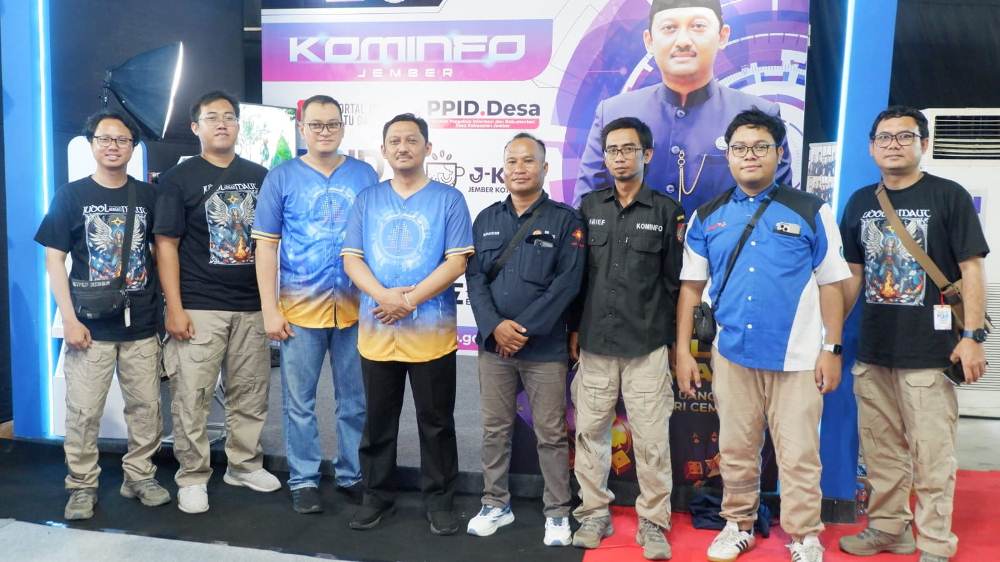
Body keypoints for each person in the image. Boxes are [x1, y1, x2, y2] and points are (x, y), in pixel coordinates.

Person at [674, 108, 851, 562]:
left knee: (799, 453)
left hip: (798, 358)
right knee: (736, 448)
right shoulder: (707, 216)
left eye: (760, 147)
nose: (749, 155)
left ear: (778, 153)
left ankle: (805, 535)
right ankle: (738, 525)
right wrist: (683, 352)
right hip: (732, 354)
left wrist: (831, 348)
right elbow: (691, 288)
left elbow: (833, 284)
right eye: (740, 148)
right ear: (729, 156)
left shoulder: (811, 211)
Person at [837, 106, 989, 562]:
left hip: (930, 354)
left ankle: (936, 543)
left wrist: (973, 337)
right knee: (880, 452)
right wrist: (829, 337)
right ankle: (889, 529)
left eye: (905, 137)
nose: (894, 145)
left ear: (924, 144)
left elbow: (971, 268)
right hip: (874, 352)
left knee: (932, 455)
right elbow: (852, 275)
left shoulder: (948, 196)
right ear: (871, 147)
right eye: (884, 138)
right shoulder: (860, 202)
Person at [341, 113, 473, 536]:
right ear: (383, 150)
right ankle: (376, 496)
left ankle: (440, 500)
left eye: (412, 140)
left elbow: (457, 261)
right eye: (394, 140)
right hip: (377, 331)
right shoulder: (367, 200)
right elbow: (352, 259)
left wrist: (409, 301)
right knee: (377, 422)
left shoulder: (448, 200)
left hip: (431, 334)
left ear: (428, 148)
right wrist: (384, 297)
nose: (403, 147)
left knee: (436, 423)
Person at [35, 110, 170, 520]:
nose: (113, 146)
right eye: (104, 138)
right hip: (89, 326)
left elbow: (161, 254)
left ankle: (140, 476)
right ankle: (81, 485)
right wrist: (69, 319)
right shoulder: (70, 195)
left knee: (146, 408)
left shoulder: (148, 196)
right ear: (91, 143)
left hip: (141, 324)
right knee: (83, 412)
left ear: (133, 147)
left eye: (122, 139)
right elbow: (54, 259)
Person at [154, 91, 278, 514]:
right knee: (193, 394)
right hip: (199, 305)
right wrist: (174, 308)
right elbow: (166, 245)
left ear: (238, 125)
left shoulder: (260, 176)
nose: (222, 123)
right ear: (196, 127)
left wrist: (271, 303)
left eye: (229, 116)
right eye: (212, 117)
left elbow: (271, 243)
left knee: (251, 391)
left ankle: (244, 465)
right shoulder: (178, 179)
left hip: (252, 305)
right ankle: (192, 476)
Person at [253, 95, 378, 514]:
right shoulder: (281, 178)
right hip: (299, 310)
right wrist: (270, 309)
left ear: (343, 127)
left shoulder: (364, 175)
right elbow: (266, 247)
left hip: (355, 308)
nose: (324, 131)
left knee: (355, 400)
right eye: (316, 124)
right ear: (302, 128)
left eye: (332, 124)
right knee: (299, 401)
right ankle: (304, 479)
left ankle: (352, 473)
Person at [568, 117, 684, 560]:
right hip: (596, 342)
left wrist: (674, 344)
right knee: (590, 433)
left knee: (651, 440)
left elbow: (676, 284)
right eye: (612, 150)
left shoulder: (666, 211)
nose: (619, 157)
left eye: (628, 149)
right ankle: (594, 512)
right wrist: (574, 328)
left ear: (646, 155)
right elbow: (577, 278)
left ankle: (653, 522)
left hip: (646, 346)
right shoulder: (588, 207)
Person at [465, 133, 584, 546]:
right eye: (512, 161)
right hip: (494, 348)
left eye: (528, 160)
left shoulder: (566, 220)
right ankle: (495, 503)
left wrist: (522, 330)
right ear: (503, 169)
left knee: (551, 433)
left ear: (544, 168)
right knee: (494, 429)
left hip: (545, 349)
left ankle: (557, 511)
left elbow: (567, 284)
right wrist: (494, 326)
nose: (519, 168)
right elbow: (475, 280)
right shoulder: (486, 219)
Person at [573, 0, 792, 212]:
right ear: (649, 41)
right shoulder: (613, 113)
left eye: (698, 26)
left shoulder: (762, 116)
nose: (683, 41)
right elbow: (586, 207)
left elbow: (781, 210)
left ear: (722, 35)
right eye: (669, 28)